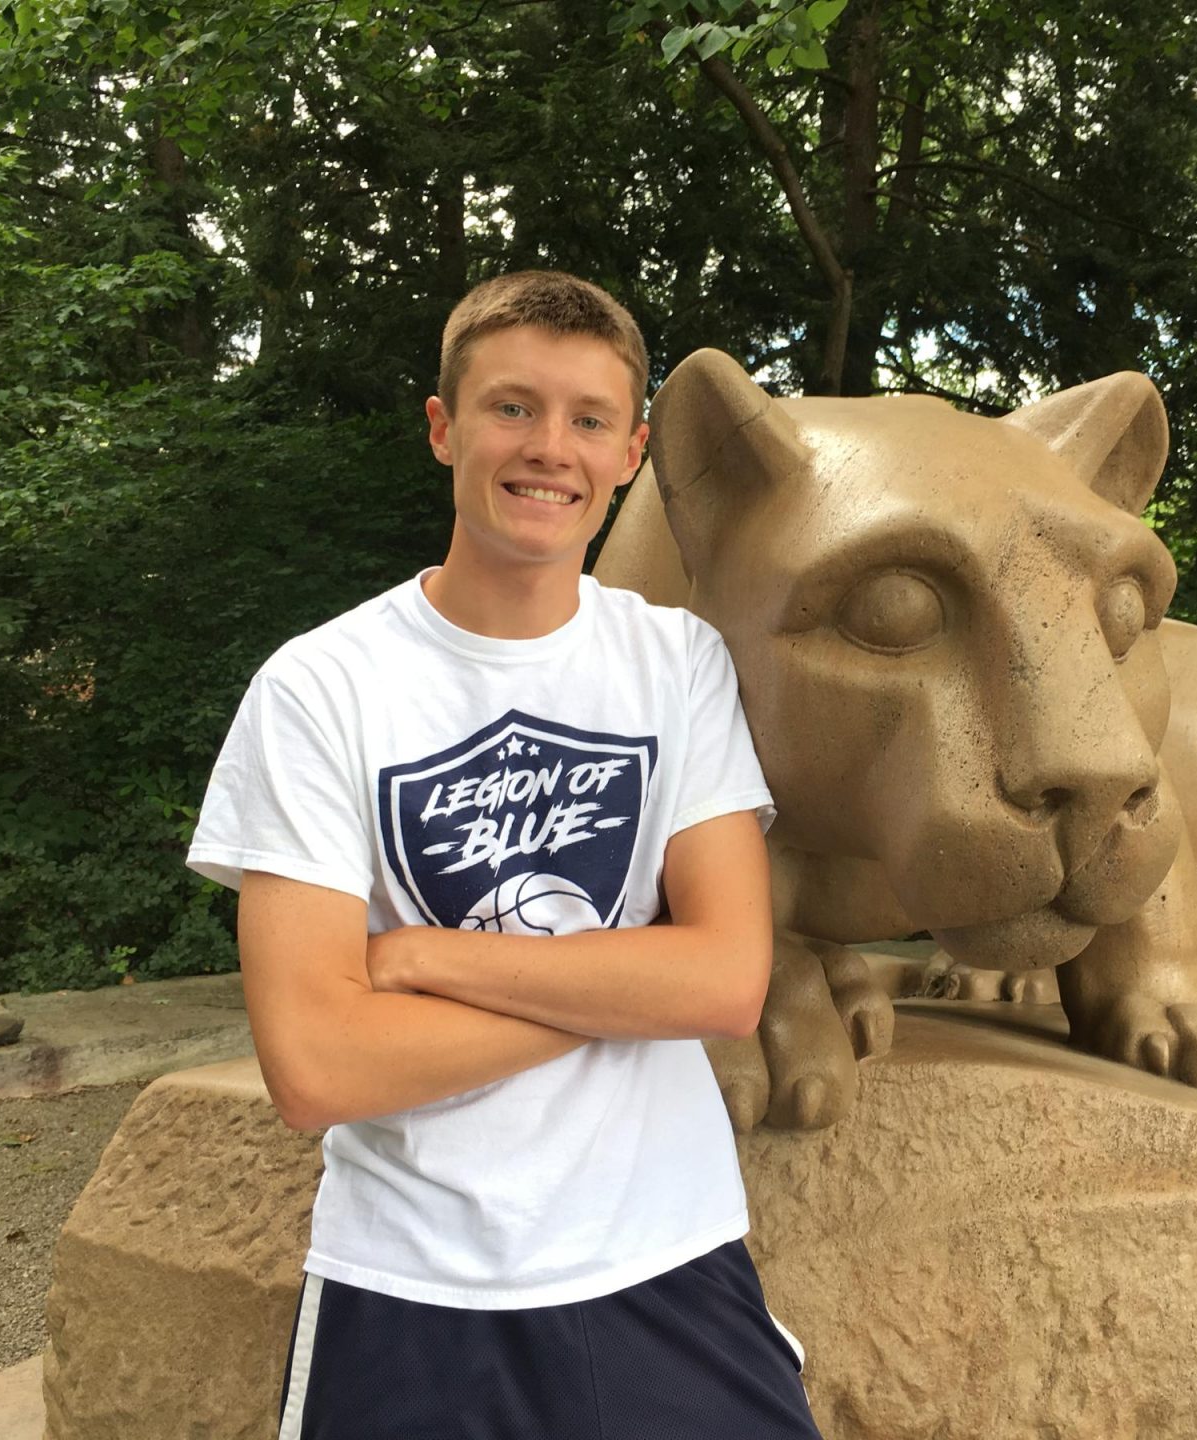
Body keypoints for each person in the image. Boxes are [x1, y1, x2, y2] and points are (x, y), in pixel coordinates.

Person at [186, 270, 822, 1439]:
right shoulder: (322, 689)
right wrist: (633, 983)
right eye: (511, 408)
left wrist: (425, 959)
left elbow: (728, 984)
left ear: (631, 454)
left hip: (668, 1256)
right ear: (444, 427)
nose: (549, 449)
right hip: (411, 1282)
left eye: (588, 420)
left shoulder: (676, 665)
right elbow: (317, 1067)